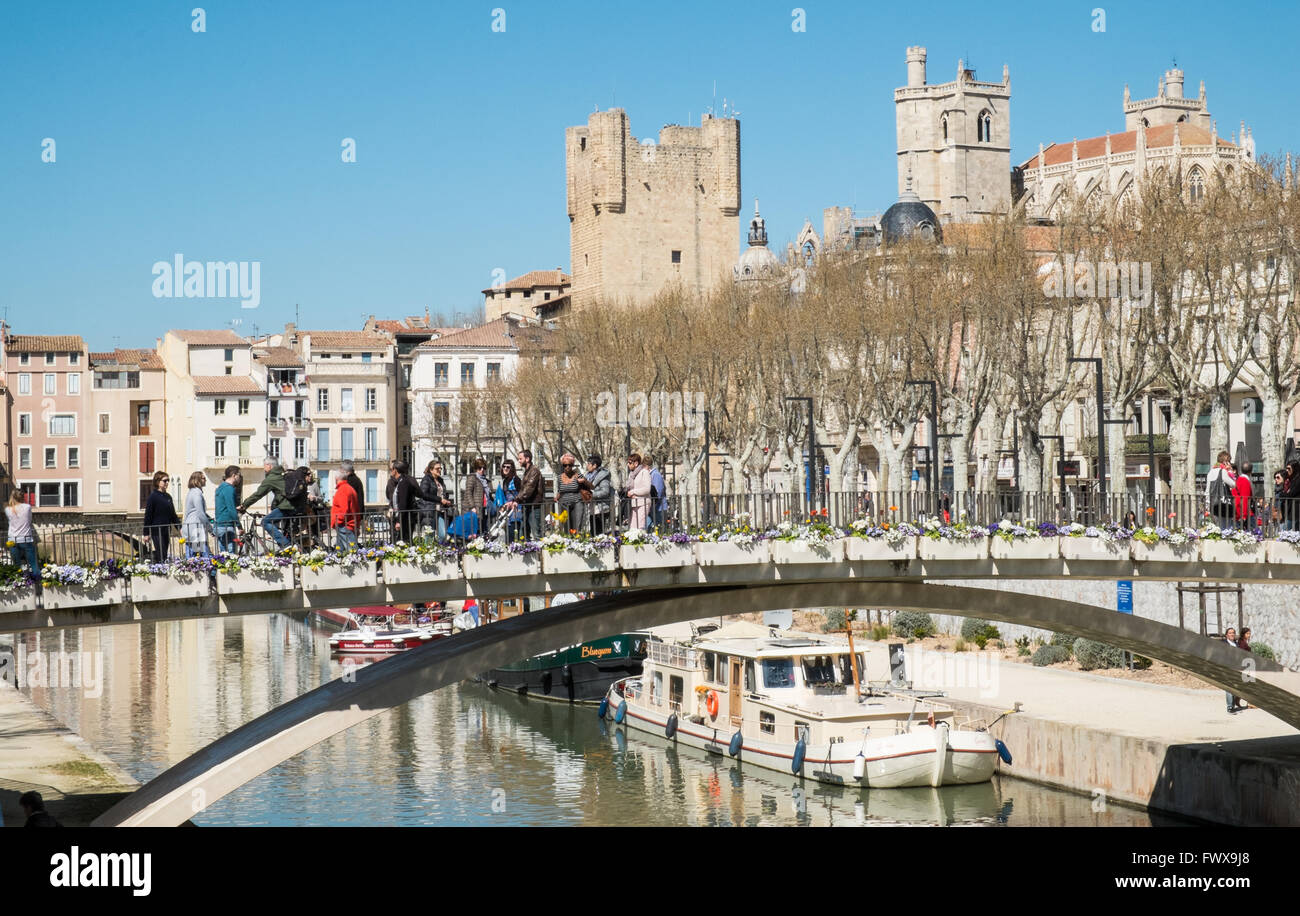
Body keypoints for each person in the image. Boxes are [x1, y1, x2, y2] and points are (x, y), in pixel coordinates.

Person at [239, 459, 294, 549]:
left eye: (264, 466)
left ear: (269, 466)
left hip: (287, 507)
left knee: (265, 521)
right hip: (294, 505)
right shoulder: (283, 475)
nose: (264, 468)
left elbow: (258, 494)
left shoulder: (272, 478)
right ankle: (286, 546)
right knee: (280, 528)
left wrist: (244, 505)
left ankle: (286, 544)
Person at [143, 471, 181, 562]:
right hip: (157, 530)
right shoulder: (153, 497)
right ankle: (160, 570)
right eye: (165, 481)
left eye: (168, 480)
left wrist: (179, 527)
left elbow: (173, 515)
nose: (167, 482)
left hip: (166, 530)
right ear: (158, 482)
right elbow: (148, 515)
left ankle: (161, 569)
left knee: (164, 553)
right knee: (161, 553)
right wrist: (146, 533)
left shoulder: (168, 497)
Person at [556, 453, 592, 533]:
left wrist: (584, 481)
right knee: (566, 526)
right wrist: (556, 497)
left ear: (572, 465)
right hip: (563, 503)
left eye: (570, 465)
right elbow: (559, 490)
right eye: (565, 465)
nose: (567, 467)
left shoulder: (578, 475)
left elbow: (591, 486)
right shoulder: (559, 477)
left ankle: (576, 542)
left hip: (577, 502)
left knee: (577, 526)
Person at [5, 490, 37, 576]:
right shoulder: (27, 507)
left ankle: (19, 583)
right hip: (26, 538)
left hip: (12, 539)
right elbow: (29, 521)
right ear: (23, 497)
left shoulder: (8, 509)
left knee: (16, 565)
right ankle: (37, 583)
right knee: (33, 563)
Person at [420, 459, 454, 540]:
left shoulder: (440, 480)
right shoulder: (426, 479)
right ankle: (428, 552)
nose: (439, 470)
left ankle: (440, 550)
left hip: (440, 510)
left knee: (443, 535)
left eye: (440, 468)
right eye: (437, 468)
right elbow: (423, 494)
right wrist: (440, 499)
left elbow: (442, 494)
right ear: (431, 470)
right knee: (429, 535)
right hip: (429, 510)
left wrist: (446, 500)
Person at [182, 471, 214, 556]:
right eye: (203, 478)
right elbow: (200, 513)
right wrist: (210, 528)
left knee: (193, 557)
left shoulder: (192, 492)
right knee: (204, 556)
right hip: (196, 529)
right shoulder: (197, 493)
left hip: (192, 527)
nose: (205, 480)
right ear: (197, 480)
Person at [388, 459, 420, 542]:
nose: (391, 471)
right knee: (397, 539)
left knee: (404, 540)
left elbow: (403, 503)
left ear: (396, 470)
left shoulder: (404, 481)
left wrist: (399, 521)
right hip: (398, 515)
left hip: (404, 517)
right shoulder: (395, 481)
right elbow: (390, 497)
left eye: (392, 469)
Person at [515, 450, 544, 540]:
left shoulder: (534, 471)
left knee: (536, 534)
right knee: (523, 534)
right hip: (527, 506)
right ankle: (525, 551)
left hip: (534, 506)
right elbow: (523, 489)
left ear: (527, 459)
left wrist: (517, 500)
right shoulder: (527, 472)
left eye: (520, 459)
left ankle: (540, 553)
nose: (519, 461)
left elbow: (528, 488)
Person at [329, 468, 360, 550]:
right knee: (340, 552)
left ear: (336, 479)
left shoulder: (343, 490)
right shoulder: (350, 488)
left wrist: (337, 521)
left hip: (344, 525)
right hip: (347, 524)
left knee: (353, 552)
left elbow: (344, 509)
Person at [459, 458, 490, 537]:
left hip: (483, 508)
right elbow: (468, 493)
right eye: (480, 468)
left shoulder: (485, 480)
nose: (482, 470)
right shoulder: (472, 478)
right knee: (472, 532)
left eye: (484, 468)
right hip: (473, 509)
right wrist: (472, 507)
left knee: (481, 531)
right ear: (476, 468)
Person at [1205, 451, 1236, 529]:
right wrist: (1230, 471)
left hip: (1213, 503)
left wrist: (1207, 503)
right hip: (1223, 503)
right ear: (1226, 462)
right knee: (1225, 526)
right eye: (1229, 461)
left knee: (1216, 526)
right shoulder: (1223, 471)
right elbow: (1233, 484)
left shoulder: (1210, 472)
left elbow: (1207, 489)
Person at [214, 466, 241, 553]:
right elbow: (231, 509)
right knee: (231, 554)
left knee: (223, 555)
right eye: (239, 475)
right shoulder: (229, 489)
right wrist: (239, 526)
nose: (240, 478)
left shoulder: (220, 487)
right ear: (234, 475)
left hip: (219, 524)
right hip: (227, 525)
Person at [584, 455, 613, 535]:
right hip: (592, 508)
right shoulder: (588, 476)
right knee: (593, 532)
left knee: (600, 533)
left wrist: (591, 495)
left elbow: (605, 491)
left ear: (595, 465)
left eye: (589, 464)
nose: (587, 465)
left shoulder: (603, 476)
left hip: (601, 508)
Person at [495, 459, 523, 542]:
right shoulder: (505, 481)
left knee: (514, 533)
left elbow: (521, 493)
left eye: (508, 467)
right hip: (508, 511)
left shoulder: (516, 479)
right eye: (504, 466)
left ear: (512, 469)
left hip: (516, 511)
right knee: (508, 535)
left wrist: (514, 501)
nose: (505, 468)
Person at [624, 453, 652, 530]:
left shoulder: (644, 472)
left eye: (630, 463)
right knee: (632, 527)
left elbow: (647, 489)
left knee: (640, 526)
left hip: (643, 502)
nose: (628, 465)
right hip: (633, 503)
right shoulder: (631, 474)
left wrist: (633, 492)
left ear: (636, 463)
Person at [1222, 627, 1245, 714]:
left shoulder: (1236, 644)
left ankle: (1233, 706)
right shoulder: (1223, 644)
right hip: (1228, 668)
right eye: (1230, 633)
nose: (1232, 634)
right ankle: (1229, 708)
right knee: (1228, 688)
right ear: (1226, 635)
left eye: (1233, 633)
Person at [644, 455, 667, 530]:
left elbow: (658, 493)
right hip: (652, 507)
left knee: (658, 529)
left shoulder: (656, 475)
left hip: (658, 508)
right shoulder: (650, 475)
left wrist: (651, 503)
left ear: (647, 466)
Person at [1233, 461, 1254, 529]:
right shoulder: (1245, 481)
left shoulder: (1238, 480)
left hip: (1238, 511)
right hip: (1243, 512)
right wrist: (1244, 515)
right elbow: (1245, 498)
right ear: (1250, 471)